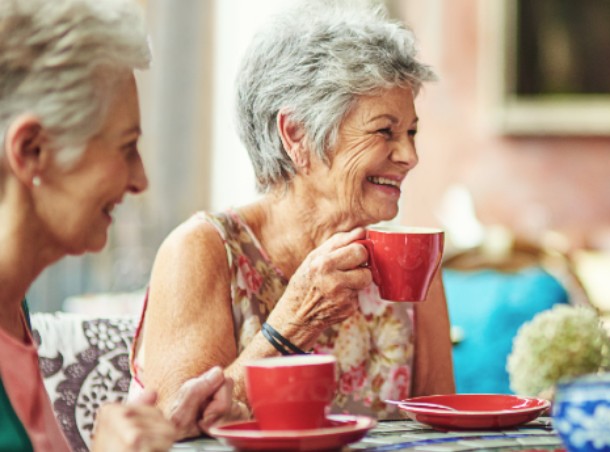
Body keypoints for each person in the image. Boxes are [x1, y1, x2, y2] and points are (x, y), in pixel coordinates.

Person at [130, 1, 454, 430]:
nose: (410, 156)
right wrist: (293, 323)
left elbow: (445, 421)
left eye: (411, 132)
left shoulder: (409, 258)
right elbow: (174, 427)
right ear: (296, 134)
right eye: (384, 131)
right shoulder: (202, 249)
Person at [0, 0, 233, 450]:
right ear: (31, 151)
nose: (140, 179)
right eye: (126, 147)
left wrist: (167, 423)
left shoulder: (14, 309)